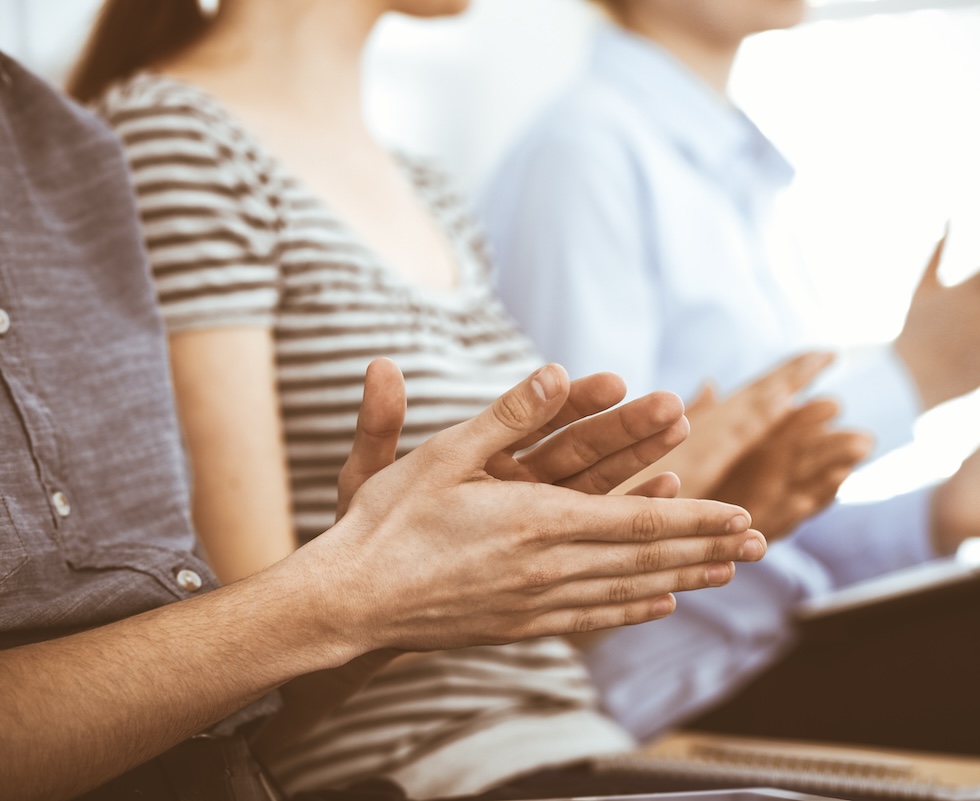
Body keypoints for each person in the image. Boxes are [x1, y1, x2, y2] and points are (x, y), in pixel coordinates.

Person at [69, 0, 869, 798]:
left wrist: (651, 527)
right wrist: (458, 572)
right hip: (405, 770)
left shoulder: (429, 191)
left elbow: (507, 637)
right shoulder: (177, 141)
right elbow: (251, 674)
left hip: (573, 742)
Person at [481, 1, 980, 798]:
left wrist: (944, 512)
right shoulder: (584, 155)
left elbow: (766, 538)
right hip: (684, 698)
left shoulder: (735, 178)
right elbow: (591, 510)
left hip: (774, 645)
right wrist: (913, 376)